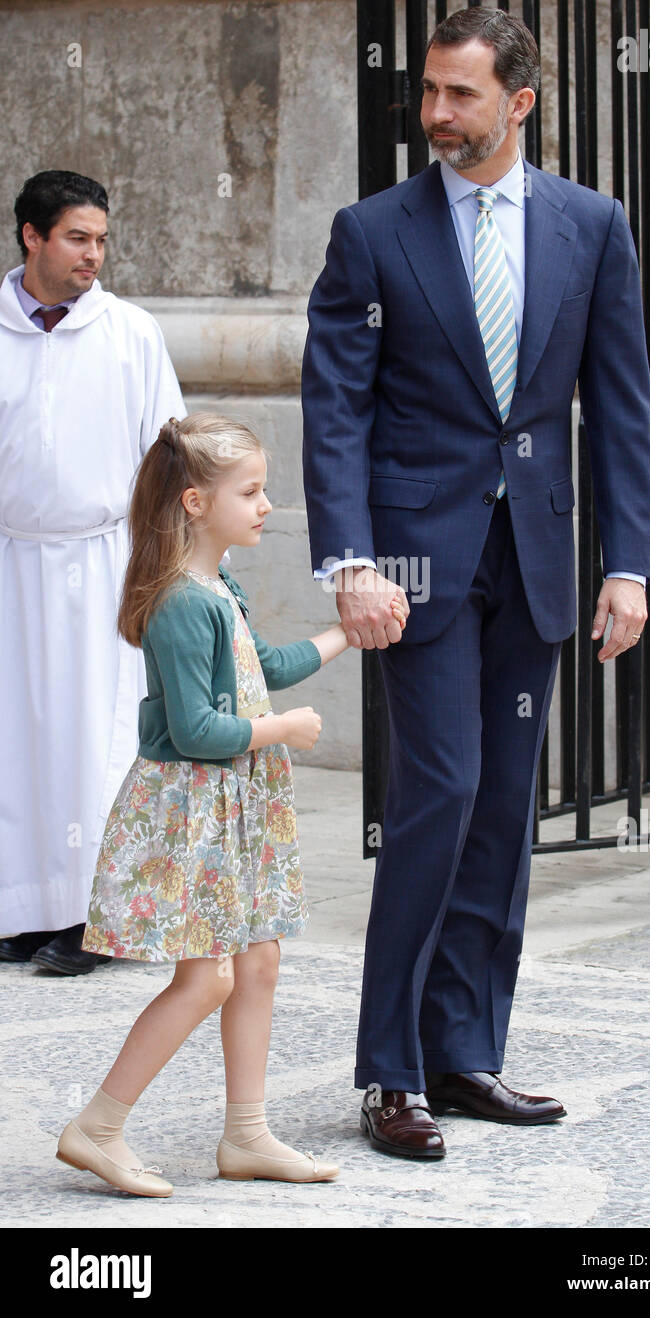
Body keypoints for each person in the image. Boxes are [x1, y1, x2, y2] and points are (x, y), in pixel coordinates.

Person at [301, 6, 650, 1159]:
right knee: (439, 793)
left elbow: (618, 402)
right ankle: (388, 1069)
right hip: (413, 563)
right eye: (428, 90)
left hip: (538, 558)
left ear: (519, 102)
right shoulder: (371, 231)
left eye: (459, 94)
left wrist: (630, 565)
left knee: (502, 809)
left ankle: (463, 1054)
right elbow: (335, 404)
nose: (434, 113)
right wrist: (348, 561)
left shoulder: (589, 226)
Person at [56, 411, 405, 1195]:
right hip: (193, 815)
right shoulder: (183, 601)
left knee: (258, 962)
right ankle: (98, 1126)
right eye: (249, 491)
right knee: (208, 978)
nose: (265, 506)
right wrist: (282, 730)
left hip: (231, 810)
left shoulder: (219, 589)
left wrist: (348, 633)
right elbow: (196, 729)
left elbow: (266, 665)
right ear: (193, 503)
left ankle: (246, 1135)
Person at [0, 170, 187, 974]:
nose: (94, 256)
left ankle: (95, 917)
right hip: (12, 559)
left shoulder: (131, 333)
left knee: (94, 740)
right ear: (30, 236)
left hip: (104, 562)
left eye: (102, 240)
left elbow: (170, 453)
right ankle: (25, 908)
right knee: (20, 740)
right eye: (78, 237)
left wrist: (168, 569)